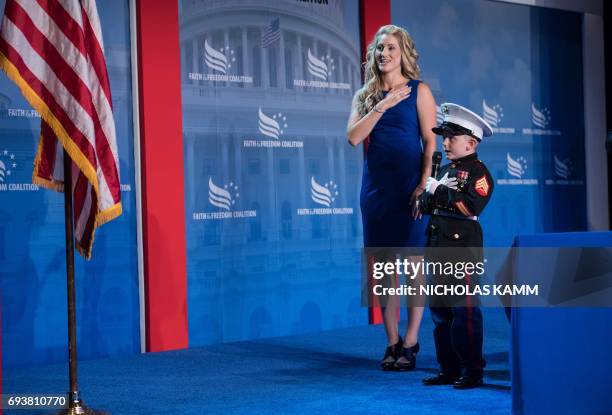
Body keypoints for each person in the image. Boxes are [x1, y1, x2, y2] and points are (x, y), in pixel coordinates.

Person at [347, 25, 437, 371]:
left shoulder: (420, 91)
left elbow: (430, 144)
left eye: (391, 49)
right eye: (379, 48)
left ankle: (411, 341)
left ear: (403, 55)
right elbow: (354, 137)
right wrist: (382, 105)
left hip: (410, 188)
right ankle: (391, 342)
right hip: (376, 193)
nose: (384, 54)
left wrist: (423, 184)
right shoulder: (364, 96)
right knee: (385, 272)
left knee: (413, 268)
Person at [417, 102, 494, 389]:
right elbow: (425, 205)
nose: (445, 142)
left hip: (462, 251)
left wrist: (441, 192)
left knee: (465, 312)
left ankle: (472, 369)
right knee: (440, 313)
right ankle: (448, 367)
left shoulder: (478, 173)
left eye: (452, 137)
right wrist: (429, 194)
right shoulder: (445, 170)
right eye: (444, 137)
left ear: (471, 142)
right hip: (437, 247)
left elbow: (472, 205)